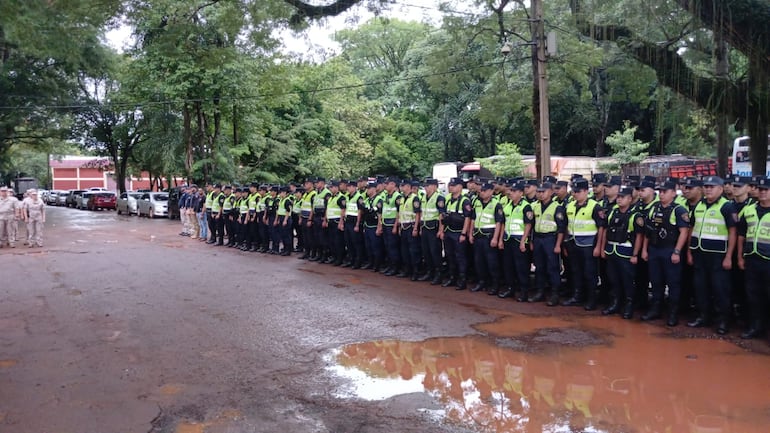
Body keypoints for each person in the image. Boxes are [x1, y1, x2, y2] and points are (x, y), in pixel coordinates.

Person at [686, 176, 738, 334]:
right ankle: (703, 316)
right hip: (700, 254)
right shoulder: (699, 206)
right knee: (701, 287)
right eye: (706, 186)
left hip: (718, 256)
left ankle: (723, 321)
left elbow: (733, 232)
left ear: (721, 189)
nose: (708, 189)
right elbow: (692, 228)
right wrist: (689, 251)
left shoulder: (727, 207)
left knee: (720, 289)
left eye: (712, 186)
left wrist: (729, 256)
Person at [640, 181, 690, 325]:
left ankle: (673, 314)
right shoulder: (654, 208)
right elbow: (647, 231)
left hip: (669, 250)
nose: (661, 194)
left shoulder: (679, 210)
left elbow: (684, 232)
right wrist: (644, 249)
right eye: (660, 191)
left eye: (665, 191)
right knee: (656, 281)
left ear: (673, 193)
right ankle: (655, 310)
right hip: (654, 249)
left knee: (673, 283)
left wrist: (677, 251)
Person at [563, 179, 606, 310]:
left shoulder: (595, 206)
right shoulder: (570, 205)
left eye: (578, 191)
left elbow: (601, 227)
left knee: (590, 273)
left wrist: (598, 246)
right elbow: (566, 225)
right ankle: (577, 296)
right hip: (573, 244)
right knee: (576, 271)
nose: (575, 194)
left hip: (588, 245)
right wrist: (566, 243)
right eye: (573, 191)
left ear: (586, 191)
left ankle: (591, 299)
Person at [601, 187, 644, 318]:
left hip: (626, 253)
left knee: (627, 281)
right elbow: (605, 231)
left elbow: (639, 236)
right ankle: (615, 304)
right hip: (611, 251)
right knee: (614, 280)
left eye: (622, 197)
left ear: (630, 199)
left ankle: (628, 306)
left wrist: (635, 254)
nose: (619, 199)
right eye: (618, 197)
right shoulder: (612, 212)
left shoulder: (635, 215)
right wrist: (603, 248)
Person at [736, 177, 770, 339]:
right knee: (753, 295)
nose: (762, 192)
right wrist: (740, 257)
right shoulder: (750, 210)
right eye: (760, 190)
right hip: (752, 259)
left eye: (766, 190)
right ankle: (756, 327)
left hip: (768, 261)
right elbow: (741, 235)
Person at [530, 182, 567, 306]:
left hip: (551, 239)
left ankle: (554, 294)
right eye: (539, 192)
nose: (540, 194)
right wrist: (531, 241)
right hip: (538, 238)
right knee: (539, 267)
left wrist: (558, 245)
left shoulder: (557, 207)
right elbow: (531, 225)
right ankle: (540, 292)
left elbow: (561, 228)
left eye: (543, 192)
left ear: (550, 192)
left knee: (553, 268)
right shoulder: (535, 206)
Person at [498, 182, 533, 301]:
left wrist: (523, 241)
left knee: (521, 267)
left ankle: (524, 292)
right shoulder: (507, 206)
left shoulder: (526, 206)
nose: (510, 193)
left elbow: (528, 225)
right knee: (508, 266)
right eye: (510, 191)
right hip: (508, 239)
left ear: (521, 193)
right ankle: (510, 288)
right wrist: (501, 239)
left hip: (519, 240)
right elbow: (503, 223)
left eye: (514, 191)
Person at [469, 183, 504, 295]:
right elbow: (473, 220)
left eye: (484, 191)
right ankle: (481, 282)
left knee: (492, 262)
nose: (481, 193)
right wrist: (470, 234)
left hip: (489, 236)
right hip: (478, 235)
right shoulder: (477, 203)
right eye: (481, 191)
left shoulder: (496, 204)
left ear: (490, 191)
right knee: (479, 261)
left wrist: (495, 238)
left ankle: (495, 284)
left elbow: (499, 223)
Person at [440, 177, 473, 290]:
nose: (450, 187)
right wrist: (442, 230)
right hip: (448, 231)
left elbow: (468, 218)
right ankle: (452, 277)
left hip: (458, 233)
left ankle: (462, 280)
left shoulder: (465, 201)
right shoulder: (448, 199)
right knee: (450, 256)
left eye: (453, 186)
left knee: (460, 257)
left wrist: (464, 234)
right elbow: (444, 216)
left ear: (459, 187)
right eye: (450, 185)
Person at [418, 178, 446, 285]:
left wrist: (440, 230)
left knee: (435, 252)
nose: (426, 188)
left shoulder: (439, 198)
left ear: (434, 186)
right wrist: (420, 228)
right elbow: (422, 213)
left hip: (433, 228)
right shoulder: (424, 197)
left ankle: (438, 274)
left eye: (428, 186)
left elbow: (442, 215)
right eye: (425, 186)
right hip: (425, 227)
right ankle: (430, 272)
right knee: (426, 252)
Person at [397, 180, 422, 280]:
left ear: (408, 186)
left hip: (411, 227)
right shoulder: (402, 198)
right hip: (403, 227)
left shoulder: (414, 198)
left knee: (413, 250)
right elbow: (400, 213)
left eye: (403, 186)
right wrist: (399, 226)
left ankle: (415, 272)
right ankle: (407, 270)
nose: (401, 188)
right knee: (405, 250)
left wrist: (416, 228)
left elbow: (417, 214)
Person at [379, 178, 402, 276]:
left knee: (393, 247)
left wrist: (395, 226)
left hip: (392, 224)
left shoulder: (397, 196)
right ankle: (390, 265)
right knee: (387, 246)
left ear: (392, 184)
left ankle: (395, 267)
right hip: (385, 223)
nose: (385, 186)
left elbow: (399, 211)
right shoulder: (386, 196)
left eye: (387, 184)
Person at [276, 186, 294, 255]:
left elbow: (288, 211)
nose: (280, 194)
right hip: (281, 217)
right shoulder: (281, 200)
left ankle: (288, 250)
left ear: (285, 193)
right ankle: (284, 248)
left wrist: (285, 220)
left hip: (286, 218)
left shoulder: (287, 200)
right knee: (282, 234)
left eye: (281, 193)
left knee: (287, 235)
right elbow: (279, 210)